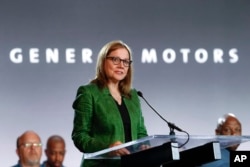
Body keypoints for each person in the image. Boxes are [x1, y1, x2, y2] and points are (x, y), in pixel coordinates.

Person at [71, 40, 149, 167]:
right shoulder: (88, 93)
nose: (121, 65)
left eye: (126, 61)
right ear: (103, 61)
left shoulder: (133, 95)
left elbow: (141, 133)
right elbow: (80, 136)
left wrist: (145, 146)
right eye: (115, 60)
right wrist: (108, 148)